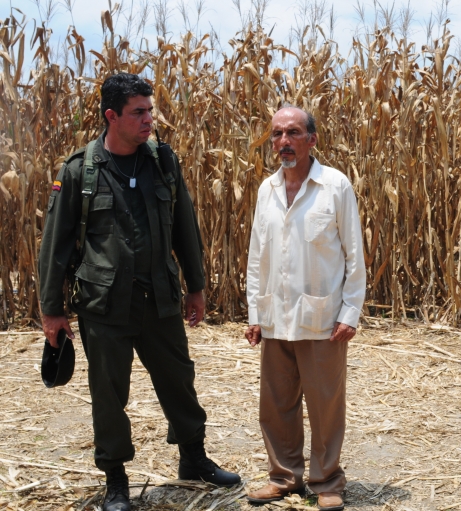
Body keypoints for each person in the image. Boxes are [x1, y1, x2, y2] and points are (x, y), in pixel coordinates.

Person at [38, 73, 240, 511]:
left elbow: (185, 227)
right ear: (112, 116)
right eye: (139, 112)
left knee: (179, 379)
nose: (150, 119)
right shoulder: (80, 171)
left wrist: (196, 286)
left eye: (150, 110)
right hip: (105, 305)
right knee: (109, 393)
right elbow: (55, 244)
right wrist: (52, 311)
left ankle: (194, 457)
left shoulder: (162, 163)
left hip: (160, 298)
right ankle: (115, 479)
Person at [244, 106, 366, 511]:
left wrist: (350, 313)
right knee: (276, 404)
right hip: (275, 316)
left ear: (312, 139)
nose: (283, 141)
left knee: (325, 405)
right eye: (277, 134)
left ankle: (326, 481)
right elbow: (257, 257)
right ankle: (283, 477)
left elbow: (354, 255)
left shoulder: (335, 186)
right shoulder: (267, 189)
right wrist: (255, 314)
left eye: (293, 133)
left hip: (322, 319)